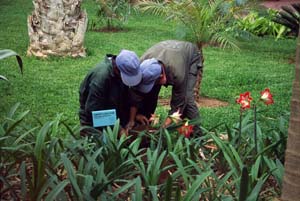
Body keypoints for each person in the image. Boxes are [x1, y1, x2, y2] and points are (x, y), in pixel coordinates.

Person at [127, 40, 203, 135]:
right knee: (150, 93)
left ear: (161, 77)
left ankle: (198, 134)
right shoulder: (142, 64)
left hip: (191, 56)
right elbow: (136, 92)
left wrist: (165, 127)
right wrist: (132, 119)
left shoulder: (177, 73)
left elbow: (179, 103)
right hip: (168, 53)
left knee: (187, 99)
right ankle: (143, 124)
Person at [79, 49, 142, 136]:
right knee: (103, 145)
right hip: (94, 119)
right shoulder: (101, 77)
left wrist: (133, 117)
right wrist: (118, 129)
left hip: (115, 112)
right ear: (117, 69)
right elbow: (93, 110)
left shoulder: (122, 68)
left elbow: (128, 95)